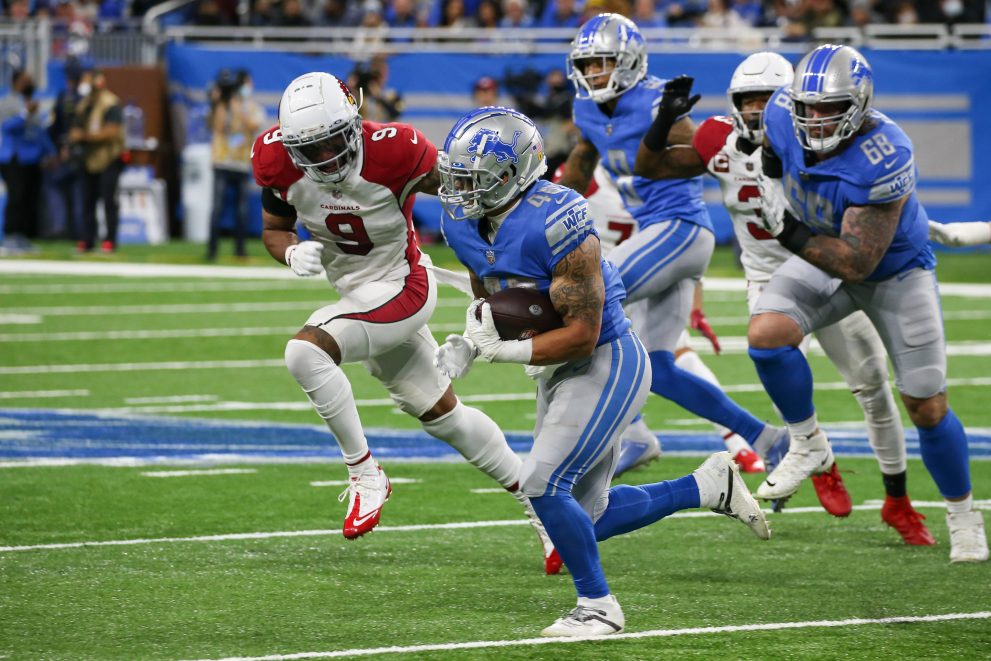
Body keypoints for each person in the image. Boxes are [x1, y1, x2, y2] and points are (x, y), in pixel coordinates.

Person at [434, 105, 770, 636]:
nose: (463, 193)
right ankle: (706, 487)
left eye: (478, 180)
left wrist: (508, 352)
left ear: (515, 173)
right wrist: (474, 337)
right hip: (560, 366)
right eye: (459, 179)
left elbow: (584, 333)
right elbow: (494, 289)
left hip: (608, 358)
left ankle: (598, 607)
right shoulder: (461, 220)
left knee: (542, 485)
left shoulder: (557, 218)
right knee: (588, 518)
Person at [250, 72, 561, 574]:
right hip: (357, 297)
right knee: (444, 415)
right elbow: (273, 228)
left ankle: (365, 472)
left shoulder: (396, 148)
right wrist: (288, 252)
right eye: (313, 147)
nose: (327, 157)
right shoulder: (273, 158)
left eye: (334, 140)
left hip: (404, 286)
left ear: (355, 122)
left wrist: (503, 251)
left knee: (305, 351)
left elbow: (469, 194)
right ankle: (549, 512)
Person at [635, 51, 935, 543]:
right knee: (776, 358)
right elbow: (655, 167)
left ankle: (898, 499)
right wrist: (664, 122)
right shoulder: (717, 138)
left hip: (827, 271)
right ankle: (817, 453)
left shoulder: (818, 146)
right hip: (765, 279)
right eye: (745, 101)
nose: (755, 111)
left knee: (873, 385)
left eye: (765, 100)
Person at [751, 44, 987, 562]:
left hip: (891, 271)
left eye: (828, 108)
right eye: (805, 107)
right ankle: (807, 441)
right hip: (822, 247)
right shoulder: (778, 112)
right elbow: (771, 150)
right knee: (767, 336)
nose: (812, 119)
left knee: (926, 404)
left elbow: (857, 263)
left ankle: (963, 514)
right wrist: (769, 181)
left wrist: (786, 230)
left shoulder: (886, 153)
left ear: (858, 105)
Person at [557, 13, 787, 474]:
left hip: (679, 227)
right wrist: (546, 199)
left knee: (582, 296)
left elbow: (702, 152)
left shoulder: (656, 100)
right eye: (587, 65)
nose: (593, 74)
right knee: (659, 368)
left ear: (628, 62)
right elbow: (583, 160)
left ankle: (619, 435)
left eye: (603, 63)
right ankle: (767, 438)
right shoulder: (587, 109)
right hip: (659, 237)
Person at [550, 162, 766, 477]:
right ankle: (742, 442)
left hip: (635, 278)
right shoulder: (603, 176)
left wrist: (695, 300)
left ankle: (738, 441)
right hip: (626, 275)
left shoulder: (642, 175)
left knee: (663, 360)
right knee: (660, 362)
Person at [206, 68, 264, 261]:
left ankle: (240, 249)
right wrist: (221, 103)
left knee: (242, 209)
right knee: (217, 206)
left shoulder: (249, 106)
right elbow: (218, 127)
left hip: (240, 163)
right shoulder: (220, 105)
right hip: (222, 161)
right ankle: (212, 249)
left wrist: (238, 106)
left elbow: (254, 125)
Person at [69, 69, 124, 253]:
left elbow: (111, 132)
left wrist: (83, 136)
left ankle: (110, 240)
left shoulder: (111, 103)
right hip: (87, 158)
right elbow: (75, 128)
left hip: (108, 158)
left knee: (108, 201)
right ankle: (87, 239)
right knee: (87, 201)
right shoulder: (83, 104)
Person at [0, 70, 54, 254]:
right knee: (17, 195)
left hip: (32, 158)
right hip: (13, 157)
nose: (29, 84)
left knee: (30, 198)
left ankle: (23, 236)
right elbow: (6, 127)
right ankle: (9, 236)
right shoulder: (8, 102)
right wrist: (24, 113)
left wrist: (50, 153)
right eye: (25, 81)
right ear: (15, 82)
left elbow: (39, 132)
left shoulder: (34, 103)